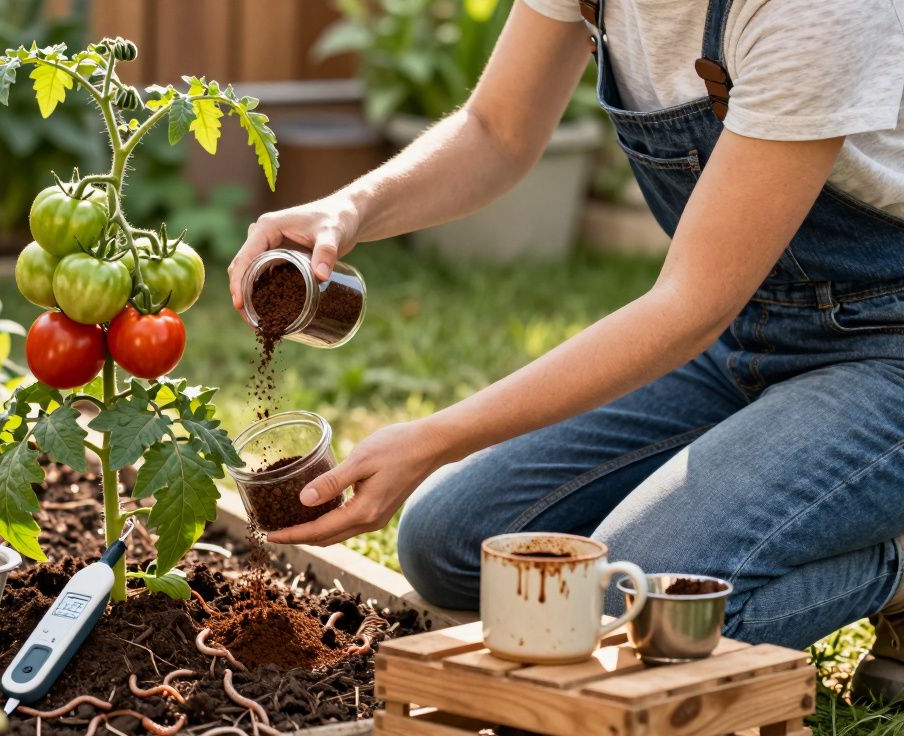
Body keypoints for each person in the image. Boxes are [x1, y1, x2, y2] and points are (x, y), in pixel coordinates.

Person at [227, 0, 904, 699]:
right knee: (452, 542)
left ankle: (896, 565)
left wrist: (437, 436)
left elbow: (690, 306)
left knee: (629, 603)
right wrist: (353, 206)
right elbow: (495, 130)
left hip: (885, 350)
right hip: (746, 331)